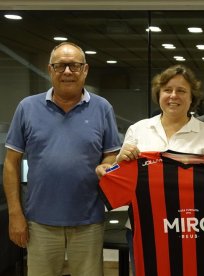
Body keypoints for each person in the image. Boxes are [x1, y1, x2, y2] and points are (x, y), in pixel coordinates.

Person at [3, 42, 121, 276]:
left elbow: (111, 153)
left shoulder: (102, 108)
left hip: (89, 221)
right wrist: (15, 213)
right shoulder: (27, 108)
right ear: (50, 70)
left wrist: (106, 165)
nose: (67, 71)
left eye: (74, 66)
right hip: (40, 221)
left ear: (85, 70)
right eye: (60, 66)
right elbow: (11, 163)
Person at [96, 64, 204, 275]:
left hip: (193, 230)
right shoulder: (138, 130)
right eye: (167, 90)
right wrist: (111, 167)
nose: (173, 95)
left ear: (192, 97)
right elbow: (121, 178)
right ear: (159, 94)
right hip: (146, 230)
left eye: (181, 90)